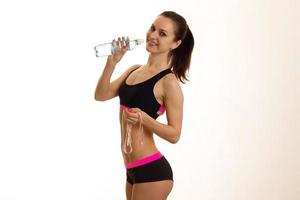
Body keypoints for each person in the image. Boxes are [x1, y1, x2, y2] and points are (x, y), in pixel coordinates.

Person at [94, 11, 194, 200]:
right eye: (152, 28)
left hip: (152, 171)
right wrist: (111, 63)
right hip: (131, 169)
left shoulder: (169, 83)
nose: (153, 35)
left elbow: (174, 134)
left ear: (176, 43)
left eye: (162, 34)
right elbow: (101, 95)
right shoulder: (134, 70)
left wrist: (145, 119)